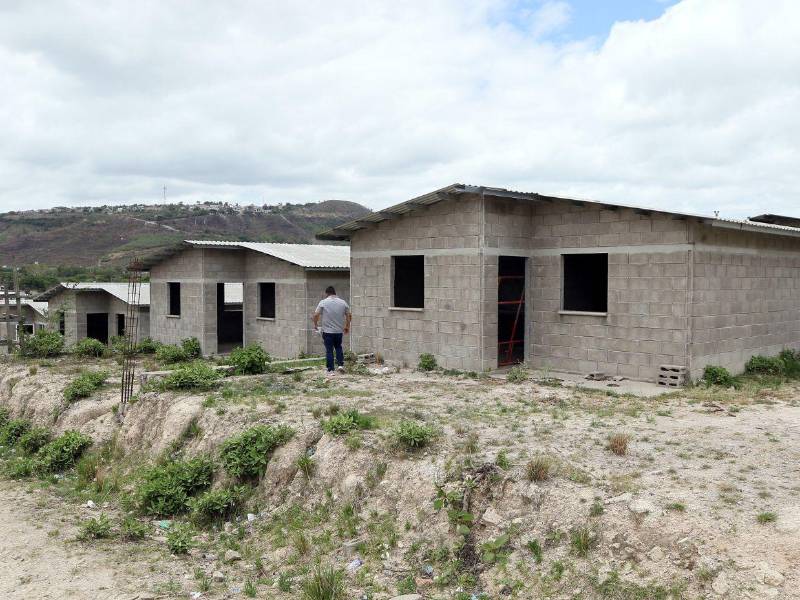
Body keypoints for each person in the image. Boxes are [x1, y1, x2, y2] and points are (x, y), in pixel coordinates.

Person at [312, 286, 351, 375]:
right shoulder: (343, 302)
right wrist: (347, 326)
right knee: (338, 347)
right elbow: (349, 315)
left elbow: (316, 315)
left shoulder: (323, 302)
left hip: (327, 332)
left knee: (329, 350)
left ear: (327, 293)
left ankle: (330, 370)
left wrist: (315, 325)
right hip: (338, 331)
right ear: (335, 293)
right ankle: (340, 365)